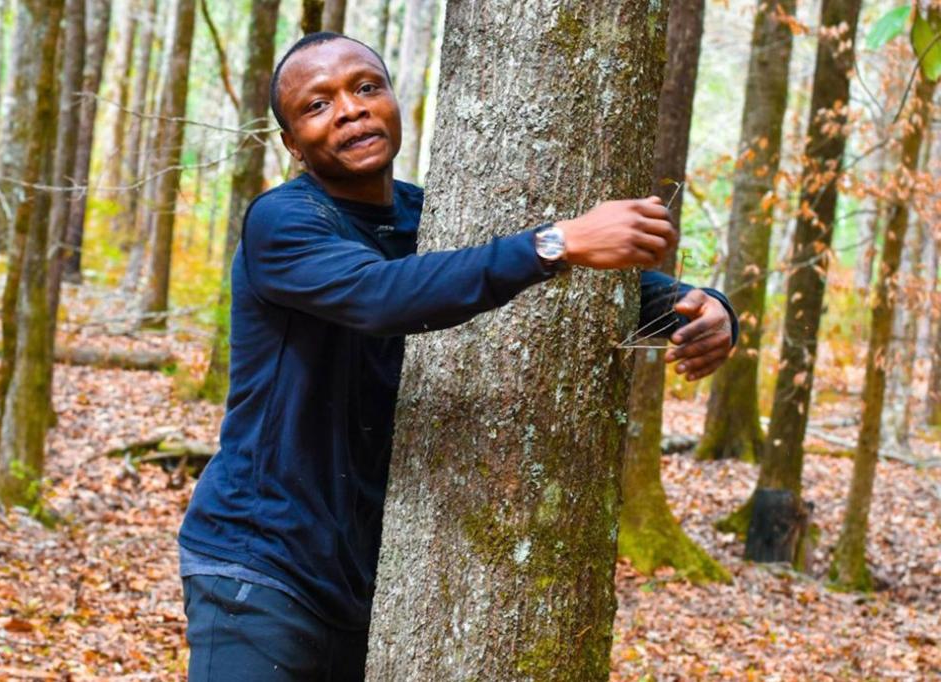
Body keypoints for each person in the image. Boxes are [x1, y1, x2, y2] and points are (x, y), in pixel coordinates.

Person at [178, 32, 737, 681]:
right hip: (260, 570)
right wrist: (557, 242)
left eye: (366, 87)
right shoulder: (284, 221)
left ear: (393, 99)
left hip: (371, 581)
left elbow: (547, 280)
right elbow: (382, 294)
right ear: (293, 144)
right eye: (317, 105)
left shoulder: (433, 212)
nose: (352, 110)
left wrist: (703, 307)